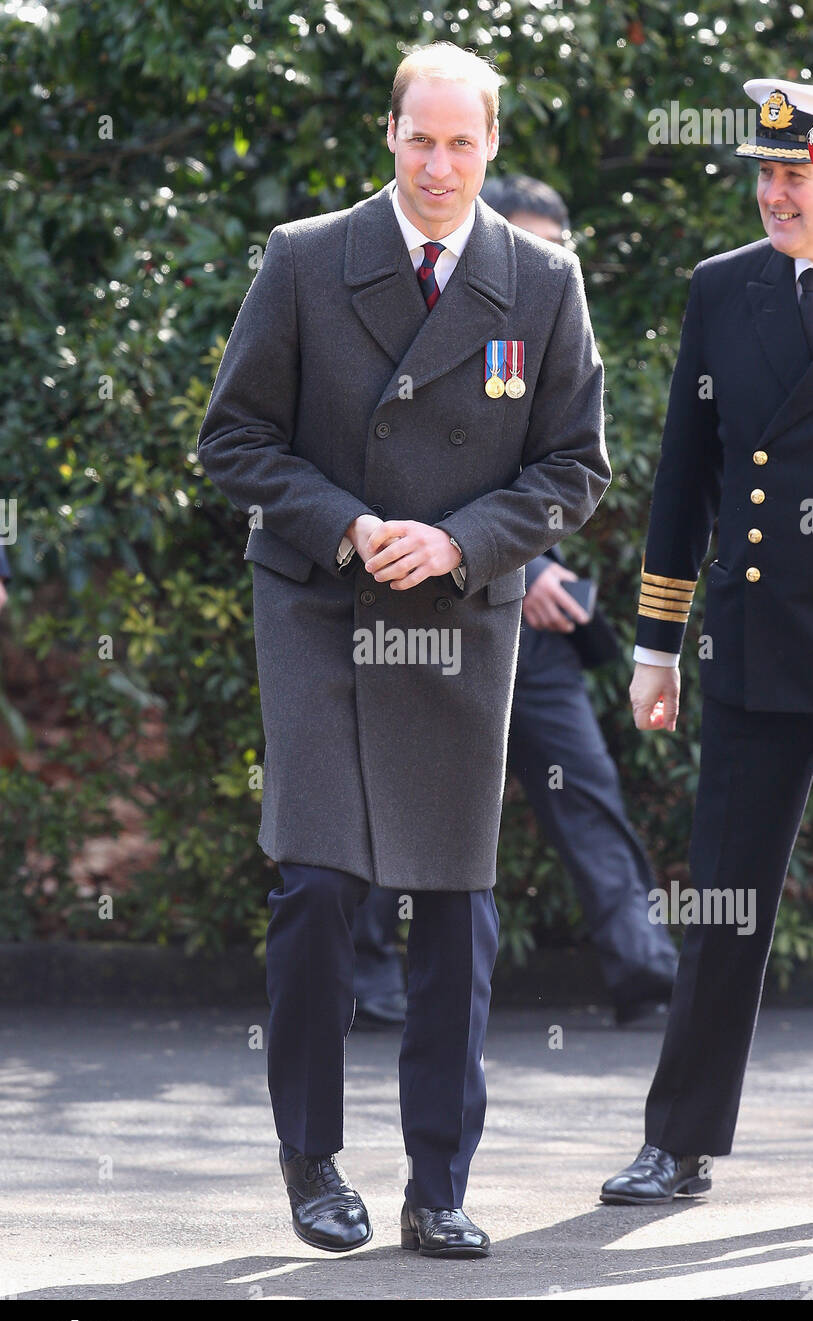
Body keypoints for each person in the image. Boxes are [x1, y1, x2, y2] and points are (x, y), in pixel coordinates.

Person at [198, 40, 610, 1258]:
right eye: (420, 139)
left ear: (493, 144)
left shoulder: (541, 282)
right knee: (320, 882)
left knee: (454, 899)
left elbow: (574, 467)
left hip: (456, 614)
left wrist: (464, 540)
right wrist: (357, 525)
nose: (440, 165)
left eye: (463, 143)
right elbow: (236, 443)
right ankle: (312, 1156)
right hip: (323, 602)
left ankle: (439, 1181)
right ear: (390, 134)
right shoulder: (307, 258)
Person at [351, 176, 677, 1030]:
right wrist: (522, 573)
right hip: (431, 607)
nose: (538, 261)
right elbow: (410, 463)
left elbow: (563, 471)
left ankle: (644, 969)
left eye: (553, 247)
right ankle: (368, 974)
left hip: (532, 625)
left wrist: (539, 570)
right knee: (408, 789)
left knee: (586, 790)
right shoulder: (429, 316)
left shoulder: (555, 323)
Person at [601, 78, 813, 1205]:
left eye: (799, 172)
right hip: (755, 642)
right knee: (726, 902)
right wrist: (655, 647)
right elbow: (686, 475)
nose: (778, 192)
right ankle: (678, 1140)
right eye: (767, 173)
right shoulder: (722, 290)